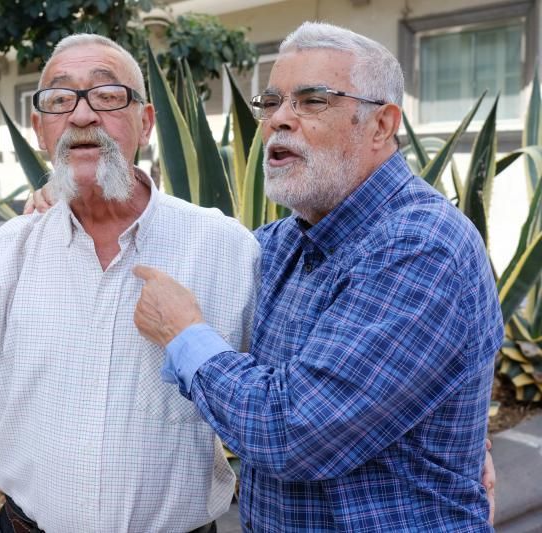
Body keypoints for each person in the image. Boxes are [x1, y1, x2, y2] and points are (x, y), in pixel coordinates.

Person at [132, 21, 503, 531]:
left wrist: (183, 335)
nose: (279, 120)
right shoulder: (284, 241)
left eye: (312, 100)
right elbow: (180, 257)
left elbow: (293, 432)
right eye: (272, 102)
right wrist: (67, 205)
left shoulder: (421, 246)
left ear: (380, 124)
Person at [0, 34, 260, 532]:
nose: (82, 116)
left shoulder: (224, 247)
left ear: (145, 122)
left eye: (107, 96)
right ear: (40, 129)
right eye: (60, 99)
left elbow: (266, 403)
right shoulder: (10, 250)